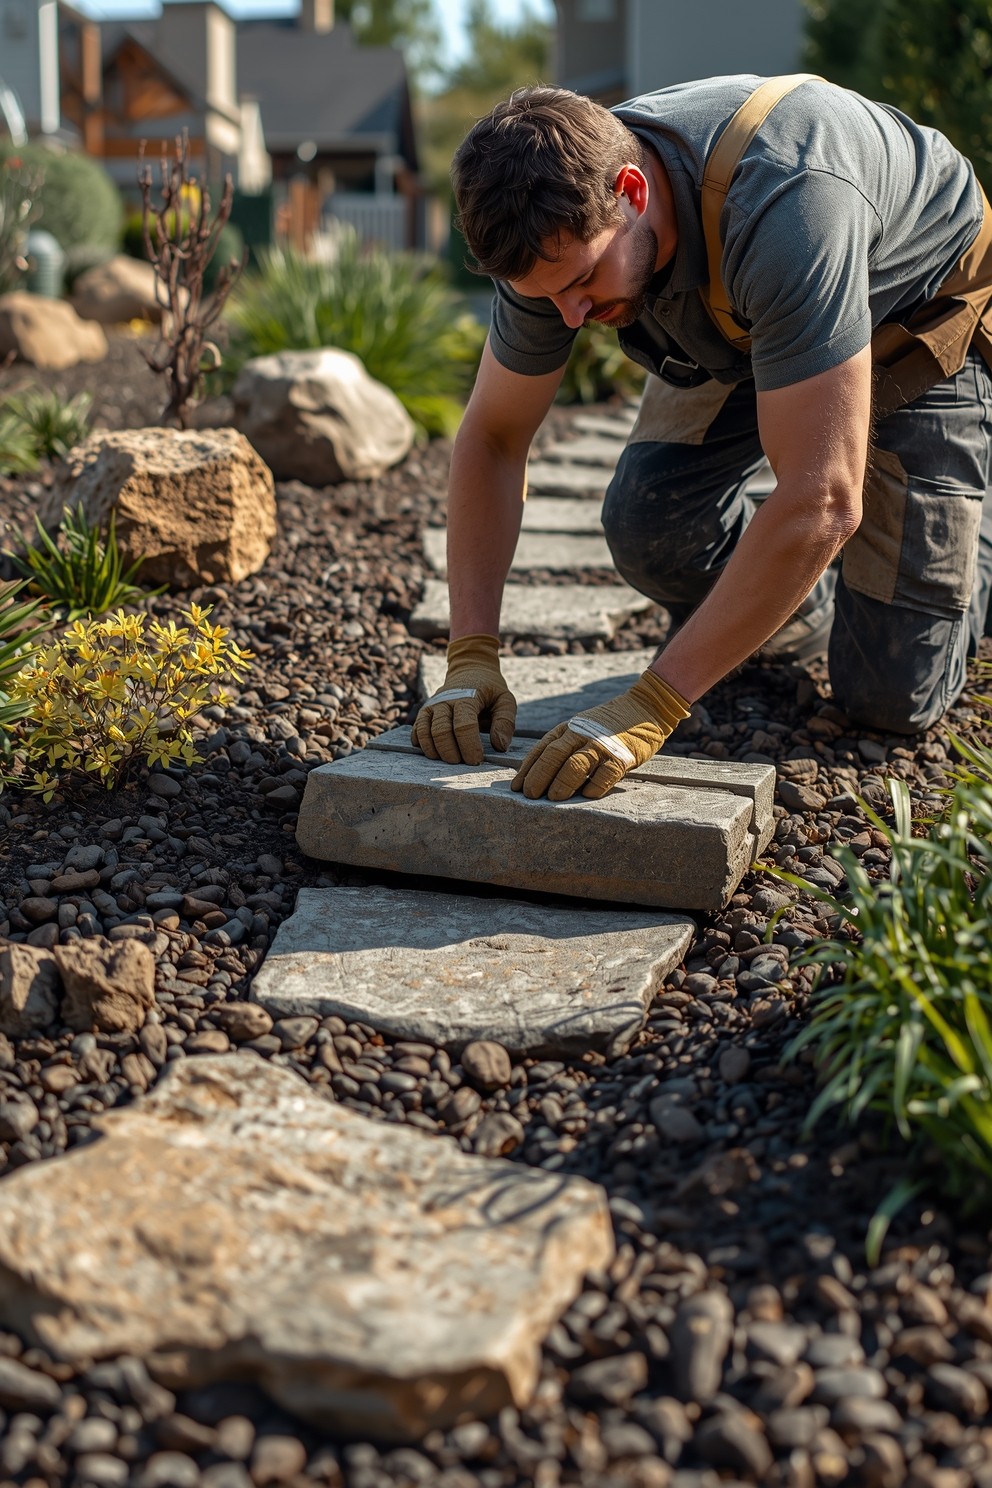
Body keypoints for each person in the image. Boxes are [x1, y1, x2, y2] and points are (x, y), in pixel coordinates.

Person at [411, 73, 992, 802]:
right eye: (547, 295)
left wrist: (654, 704)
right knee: (652, 525)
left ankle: (969, 539)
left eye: (583, 282)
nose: (567, 315)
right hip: (744, 317)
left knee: (888, 695)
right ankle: (796, 602)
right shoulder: (548, 226)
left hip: (909, 311)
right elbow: (494, 437)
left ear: (632, 188)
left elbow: (821, 499)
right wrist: (469, 654)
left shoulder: (789, 204)